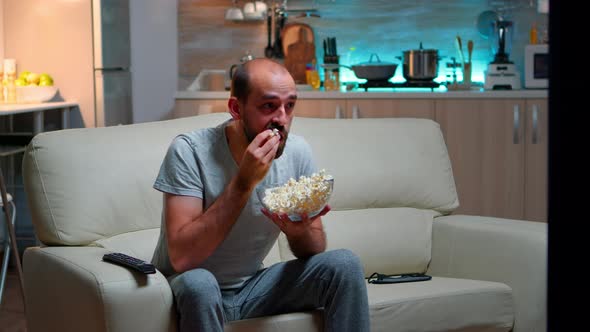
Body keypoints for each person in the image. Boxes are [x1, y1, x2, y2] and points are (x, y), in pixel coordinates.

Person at [151, 58, 370, 332]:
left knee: (344, 264)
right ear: (236, 108)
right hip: (185, 289)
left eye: (289, 105)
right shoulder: (189, 151)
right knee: (200, 283)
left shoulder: (297, 152)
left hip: (252, 289)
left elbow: (312, 248)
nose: (281, 119)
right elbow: (183, 259)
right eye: (268, 106)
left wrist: (299, 232)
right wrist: (243, 183)